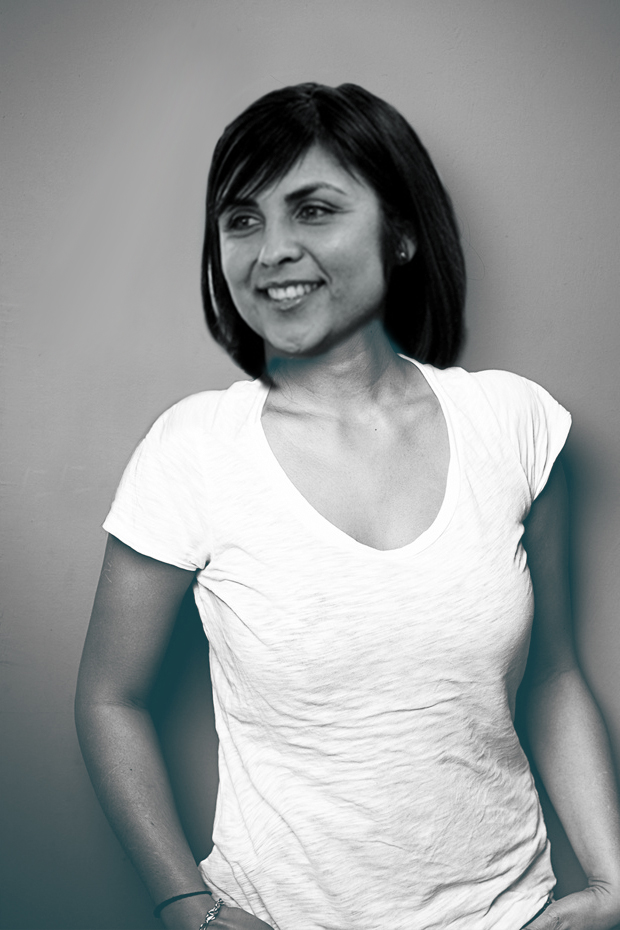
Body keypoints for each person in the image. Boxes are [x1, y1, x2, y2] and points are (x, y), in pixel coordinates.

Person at [75, 83, 620, 930]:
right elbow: (110, 698)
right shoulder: (194, 450)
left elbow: (553, 675)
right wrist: (187, 906)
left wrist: (615, 882)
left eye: (314, 210)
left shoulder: (511, 423)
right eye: (243, 220)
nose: (272, 251)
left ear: (400, 232)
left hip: (507, 914)